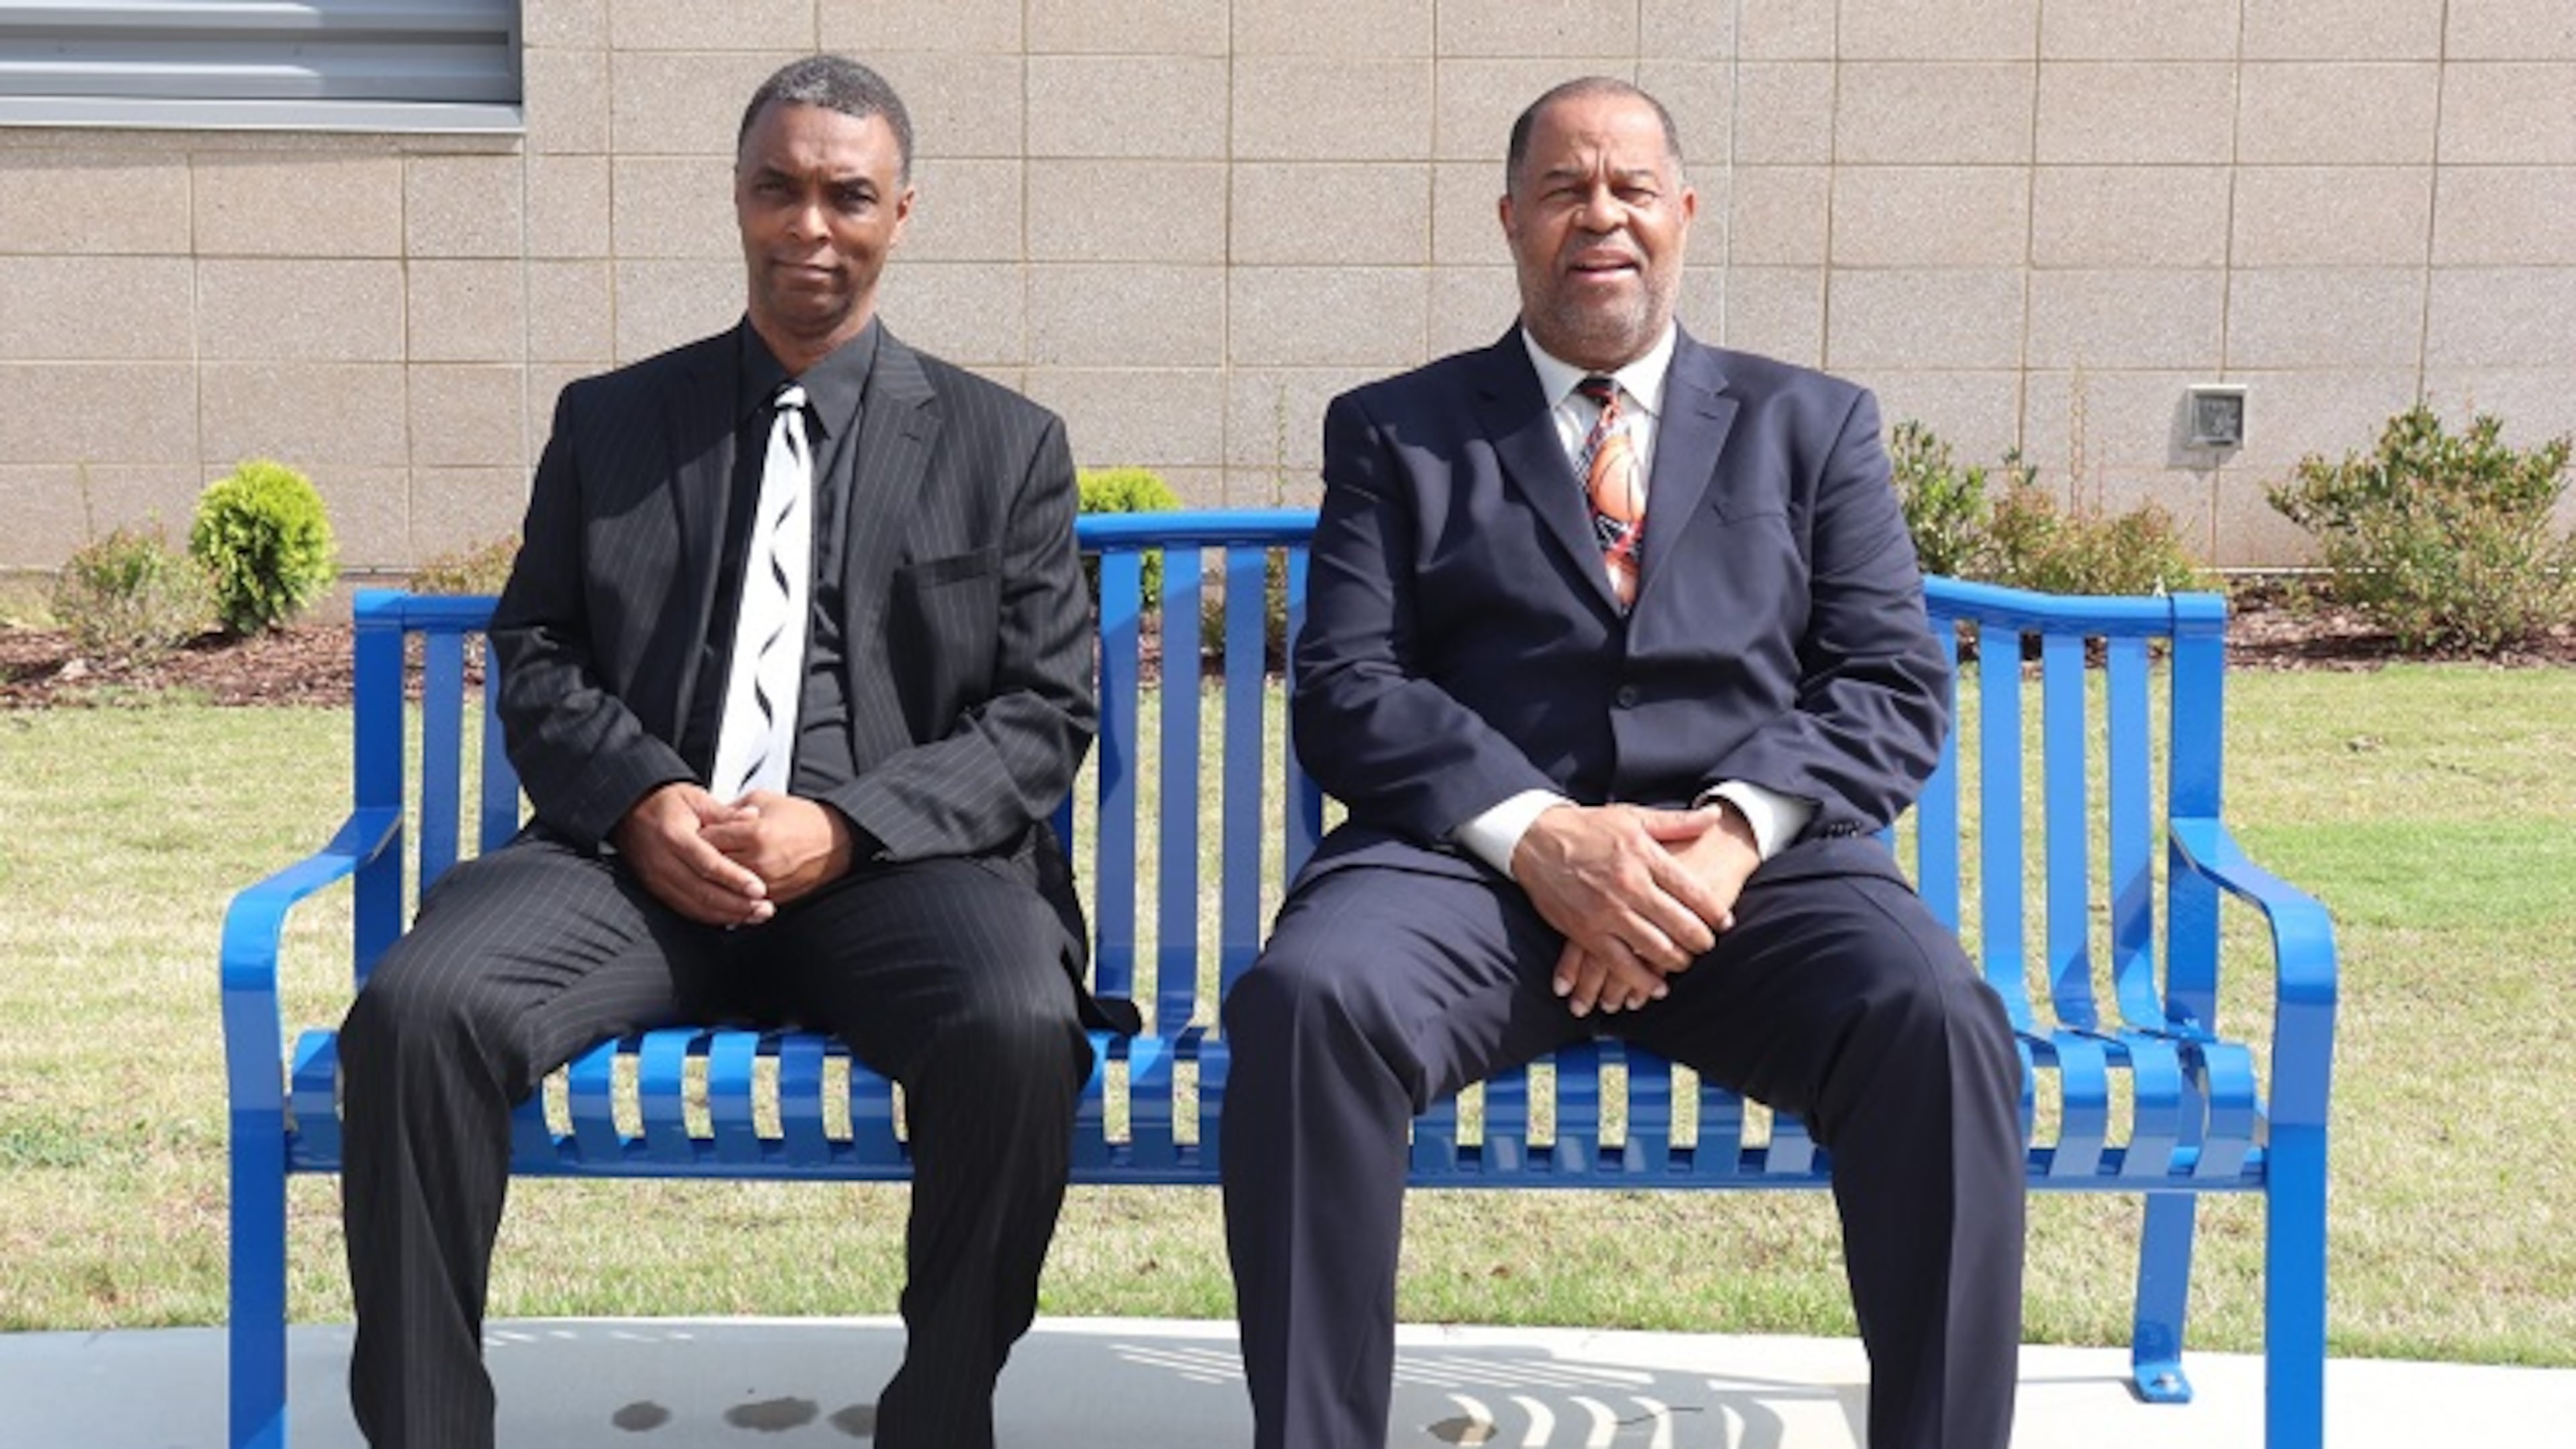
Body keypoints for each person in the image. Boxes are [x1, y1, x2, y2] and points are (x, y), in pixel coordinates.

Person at [1219, 77, 2027, 1449]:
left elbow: (1891, 682)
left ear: (1685, 216)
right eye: (1565, 190)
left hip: (1756, 888)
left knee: (1938, 1025)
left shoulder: (1814, 425)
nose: (1601, 216)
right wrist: (1541, 836)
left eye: (1632, 189)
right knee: (1308, 1002)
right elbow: (1350, 685)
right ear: (1511, 222)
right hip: (1467, 882)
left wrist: (1721, 841)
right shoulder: (1395, 430)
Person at [336, 54, 1130, 1449]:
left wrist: (851, 827)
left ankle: (940, 1415)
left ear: (902, 211)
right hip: (634, 874)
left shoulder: (1005, 447)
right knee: (419, 1012)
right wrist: (642, 796)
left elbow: (1042, 714)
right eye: (780, 190)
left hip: (899, 877)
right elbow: (540, 652)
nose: (810, 226)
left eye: (847, 195)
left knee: (1015, 1026)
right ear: (739, 201)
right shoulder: (616, 422)